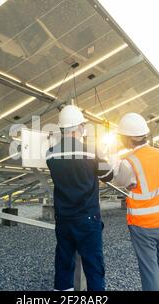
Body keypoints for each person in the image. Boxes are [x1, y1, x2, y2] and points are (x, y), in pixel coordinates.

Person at [110, 112, 159, 291]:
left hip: (143, 225)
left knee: (149, 270)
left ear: (127, 139)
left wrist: (115, 163)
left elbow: (121, 181)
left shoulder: (129, 161)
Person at [46, 105, 113, 291]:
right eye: (83, 126)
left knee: (64, 265)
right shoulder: (92, 151)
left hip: (64, 219)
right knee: (93, 268)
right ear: (78, 128)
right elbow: (108, 176)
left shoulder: (50, 153)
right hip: (87, 219)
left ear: (62, 129)